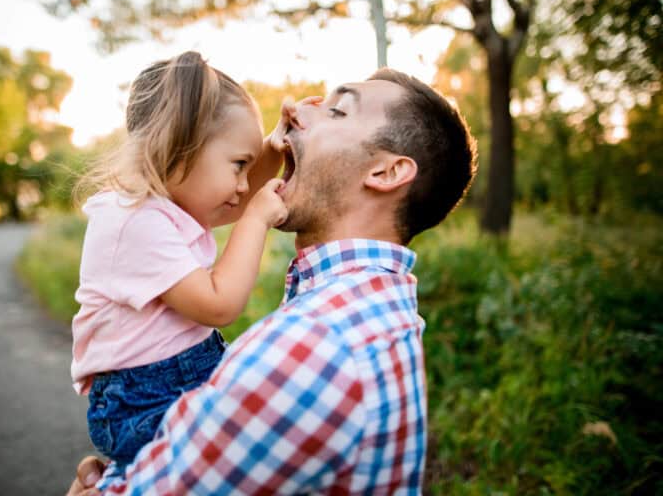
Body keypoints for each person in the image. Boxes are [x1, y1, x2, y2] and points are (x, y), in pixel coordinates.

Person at [67, 66, 477, 495]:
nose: (297, 110)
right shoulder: (374, 313)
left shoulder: (315, 347)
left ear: (387, 173)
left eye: (337, 111)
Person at [70, 51, 298, 469]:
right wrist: (257, 220)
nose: (245, 185)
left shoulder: (168, 206)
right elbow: (218, 304)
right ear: (179, 145)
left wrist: (273, 147)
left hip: (175, 382)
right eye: (239, 165)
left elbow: (234, 199)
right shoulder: (133, 221)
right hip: (145, 401)